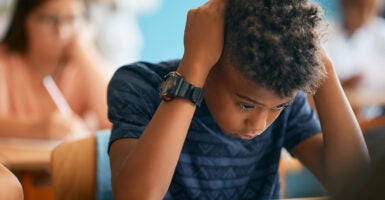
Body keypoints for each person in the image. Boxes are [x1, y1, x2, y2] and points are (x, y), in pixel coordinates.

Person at [107, 0, 370, 199]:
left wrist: (323, 65)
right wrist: (194, 67)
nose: (259, 125)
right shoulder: (138, 84)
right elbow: (137, 195)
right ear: (210, 60)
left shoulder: (283, 98)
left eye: (278, 107)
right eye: (246, 105)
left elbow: (355, 184)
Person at [0, 0, 113, 140]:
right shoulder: (5, 62)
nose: (62, 32)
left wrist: (83, 50)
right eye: (50, 20)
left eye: (71, 19)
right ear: (25, 19)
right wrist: (37, 129)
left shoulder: (82, 65)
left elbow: (116, 120)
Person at [324, 0, 385, 90]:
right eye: (358, 8)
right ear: (345, 5)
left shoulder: (381, 32)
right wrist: (342, 82)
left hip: (373, 101)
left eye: (371, 9)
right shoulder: (325, 32)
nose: (364, 15)